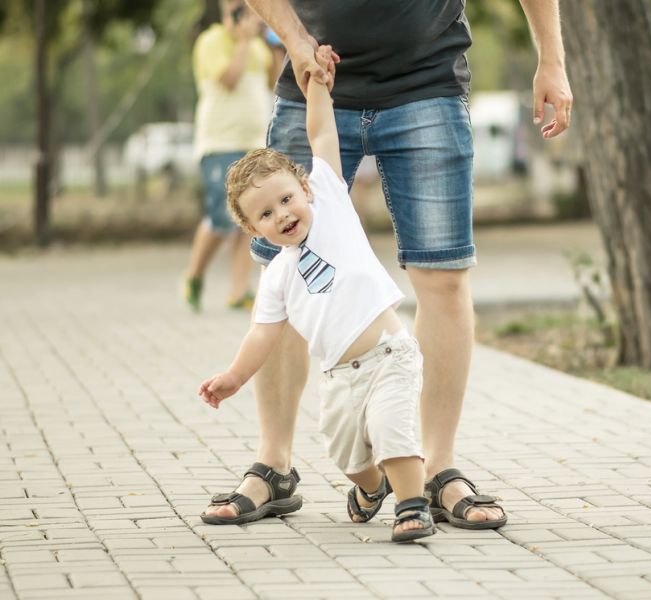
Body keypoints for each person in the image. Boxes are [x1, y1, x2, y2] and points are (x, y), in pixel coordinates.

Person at [203, 0, 572, 529]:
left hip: (427, 83)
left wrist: (551, 60)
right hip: (315, 77)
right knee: (280, 279)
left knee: (443, 278)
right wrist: (294, 37)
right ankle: (274, 465)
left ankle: (437, 469)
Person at [199, 48, 435, 543]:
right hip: (337, 377)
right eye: (266, 214)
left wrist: (319, 89)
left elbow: (322, 135)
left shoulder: (328, 200)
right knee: (347, 455)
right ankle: (372, 490)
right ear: (252, 228)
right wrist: (233, 377)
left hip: (388, 354)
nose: (283, 214)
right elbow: (262, 336)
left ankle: (412, 507)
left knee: (394, 433)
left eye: (286, 199)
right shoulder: (278, 277)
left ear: (304, 188)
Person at [182, 1, 274, 311]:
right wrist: (245, 41)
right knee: (222, 217)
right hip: (219, 144)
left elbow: (273, 83)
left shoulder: (258, 47)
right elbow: (229, 78)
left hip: (253, 144)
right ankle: (194, 275)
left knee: (248, 218)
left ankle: (238, 292)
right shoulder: (211, 42)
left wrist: (271, 41)